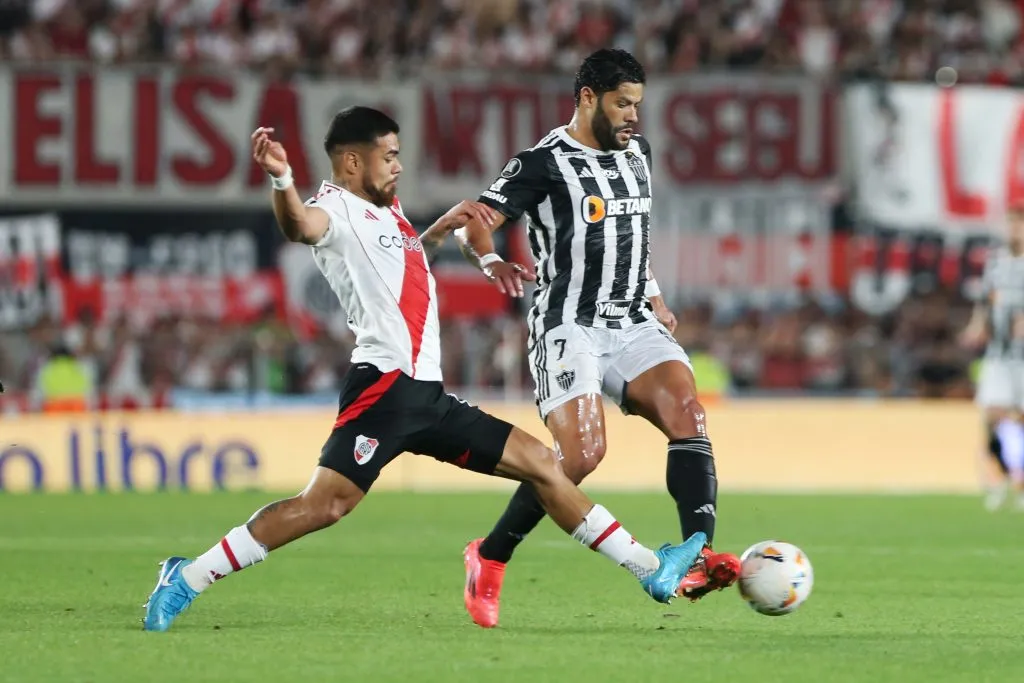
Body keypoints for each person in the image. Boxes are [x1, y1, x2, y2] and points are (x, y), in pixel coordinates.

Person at [142, 106, 707, 633]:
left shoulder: (389, 215)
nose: (399, 165)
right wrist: (280, 180)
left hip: (428, 397)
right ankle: (187, 576)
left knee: (543, 464)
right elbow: (298, 227)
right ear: (352, 161)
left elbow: (404, 267)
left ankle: (649, 569)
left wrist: (436, 236)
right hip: (384, 391)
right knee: (323, 506)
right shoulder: (334, 209)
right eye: (389, 156)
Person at [456, 49, 740, 629]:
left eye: (638, 102)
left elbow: (627, 232)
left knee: (689, 411)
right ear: (588, 98)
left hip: (633, 318)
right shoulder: (543, 163)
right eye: (622, 103)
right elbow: (474, 221)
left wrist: (654, 292)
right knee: (581, 457)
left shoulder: (639, 152)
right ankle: (489, 555)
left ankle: (695, 553)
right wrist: (489, 261)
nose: (634, 115)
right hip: (569, 322)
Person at [960, 201, 1024, 511]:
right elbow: (985, 303)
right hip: (998, 355)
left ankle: (1020, 481)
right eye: (1010, 223)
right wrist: (976, 327)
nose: (1013, 229)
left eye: (1018, 223)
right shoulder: (996, 263)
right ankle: (998, 477)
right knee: (992, 414)